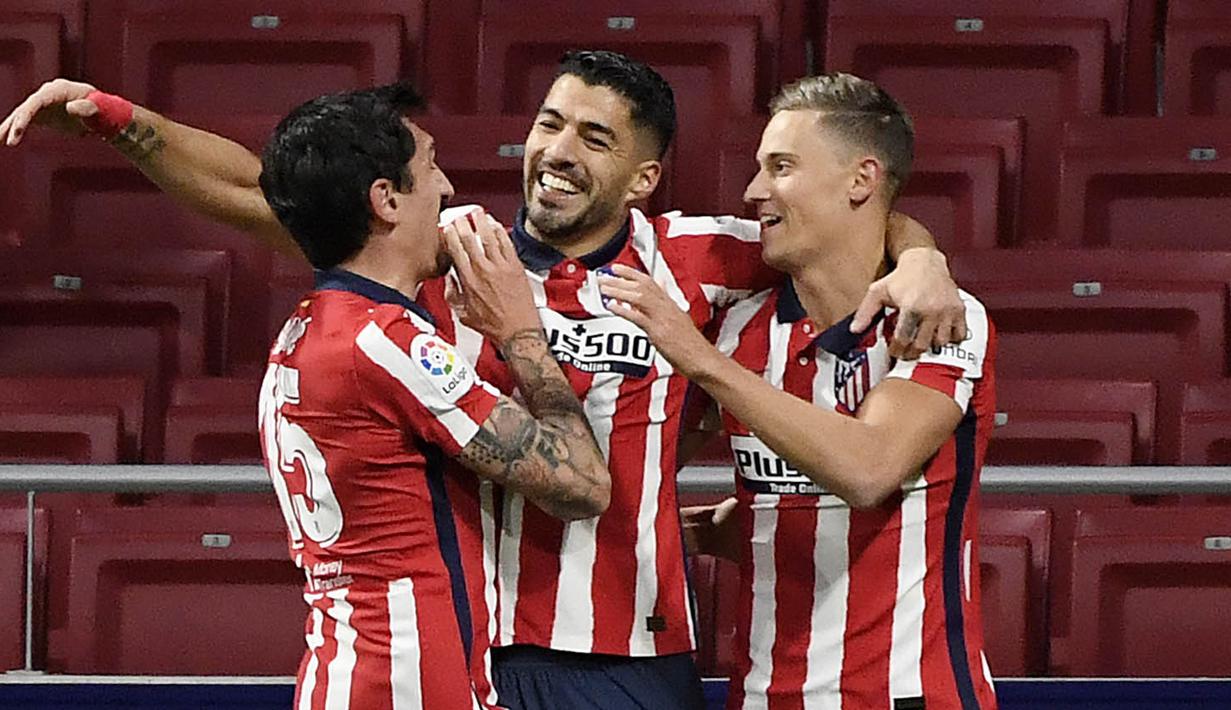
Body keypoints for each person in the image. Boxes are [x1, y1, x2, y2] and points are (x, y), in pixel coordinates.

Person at [2, 52, 967, 708]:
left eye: (594, 137)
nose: (555, 149)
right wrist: (124, 123)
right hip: (480, 653)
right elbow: (269, 192)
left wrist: (922, 259)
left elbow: (847, 221)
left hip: (629, 656)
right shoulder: (448, 247)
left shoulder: (698, 259)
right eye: (550, 123)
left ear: (642, 178)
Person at [598, 72, 998, 709]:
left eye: (781, 167)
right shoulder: (737, 330)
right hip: (760, 696)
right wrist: (709, 530)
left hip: (907, 695)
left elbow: (868, 470)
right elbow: (644, 467)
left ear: (861, 180)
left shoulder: (941, 320)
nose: (755, 191)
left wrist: (701, 362)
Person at [252, 83, 612, 708]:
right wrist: (520, 332)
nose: (447, 189)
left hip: (352, 670)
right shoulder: (386, 343)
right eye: (430, 168)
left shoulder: (306, 329)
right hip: (407, 685)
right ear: (386, 200)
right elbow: (583, 484)